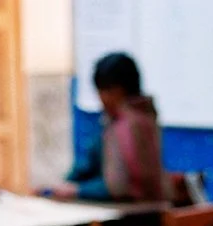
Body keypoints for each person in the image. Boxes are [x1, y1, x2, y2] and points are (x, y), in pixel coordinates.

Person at [51, 52, 167, 202]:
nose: (101, 99)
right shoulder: (132, 118)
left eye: (102, 92)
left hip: (135, 214)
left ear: (116, 91)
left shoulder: (129, 125)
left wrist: (78, 190)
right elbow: (89, 161)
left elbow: (119, 186)